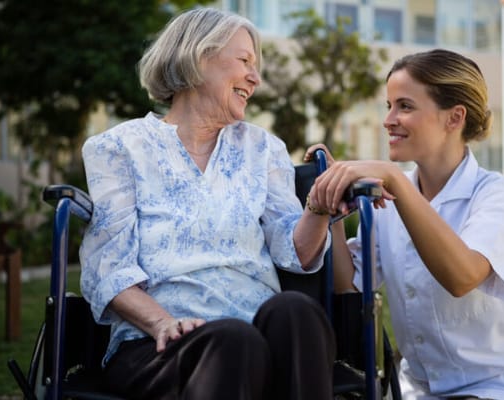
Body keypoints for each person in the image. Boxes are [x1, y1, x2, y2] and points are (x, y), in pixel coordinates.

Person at [79, 7, 335, 400]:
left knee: (295, 311)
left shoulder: (263, 149)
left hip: (257, 331)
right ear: (198, 57)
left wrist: (318, 207)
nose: (256, 77)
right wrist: (163, 323)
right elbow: (107, 268)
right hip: (159, 343)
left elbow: (294, 252)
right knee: (234, 341)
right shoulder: (119, 148)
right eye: (245, 60)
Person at [305, 49, 504, 400]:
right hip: (419, 391)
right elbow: (348, 283)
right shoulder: (390, 196)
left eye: (405, 106)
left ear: (454, 117)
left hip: (500, 388)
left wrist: (394, 179)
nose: (389, 119)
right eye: (389, 106)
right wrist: (331, 207)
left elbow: (462, 276)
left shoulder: (497, 195)